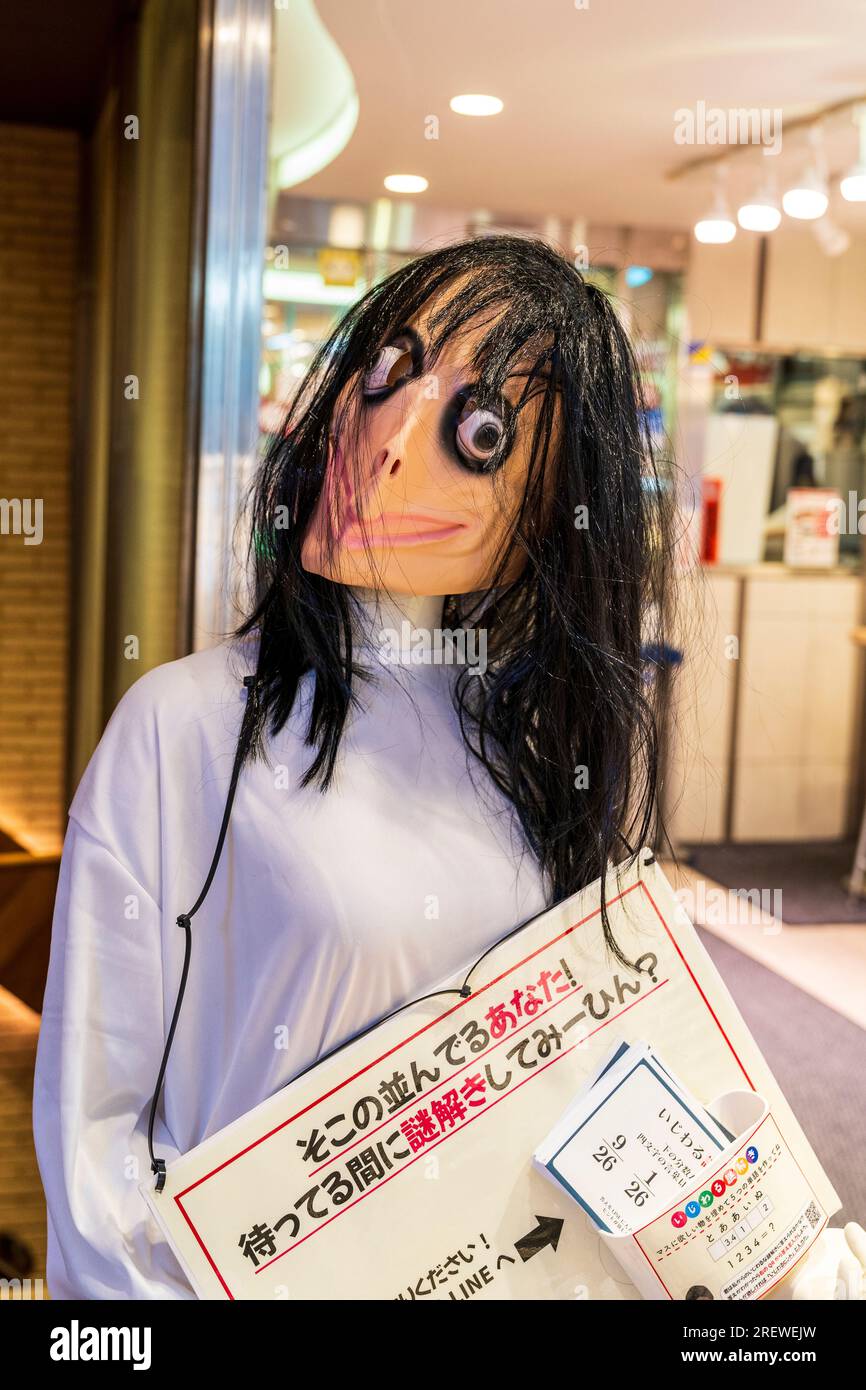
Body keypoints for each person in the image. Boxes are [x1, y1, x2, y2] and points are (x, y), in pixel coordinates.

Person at [32, 234, 670, 1299]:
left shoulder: (525, 755)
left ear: (549, 512)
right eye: (383, 375)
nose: (385, 438)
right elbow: (93, 1117)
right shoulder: (185, 727)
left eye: (476, 432)